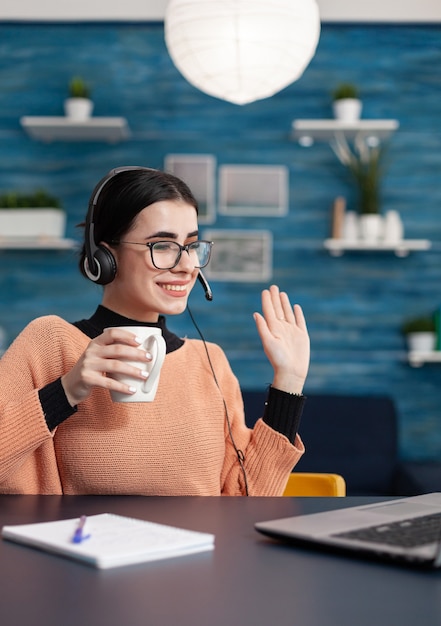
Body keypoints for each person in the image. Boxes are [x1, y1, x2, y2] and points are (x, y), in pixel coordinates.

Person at [0, 166, 310, 496]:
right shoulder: (51, 342)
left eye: (191, 246)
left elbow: (246, 499)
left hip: (199, 547)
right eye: (162, 245)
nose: (187, 265)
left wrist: (288, 382)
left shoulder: (209, 361)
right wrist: (64, 392)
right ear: (105, 255)